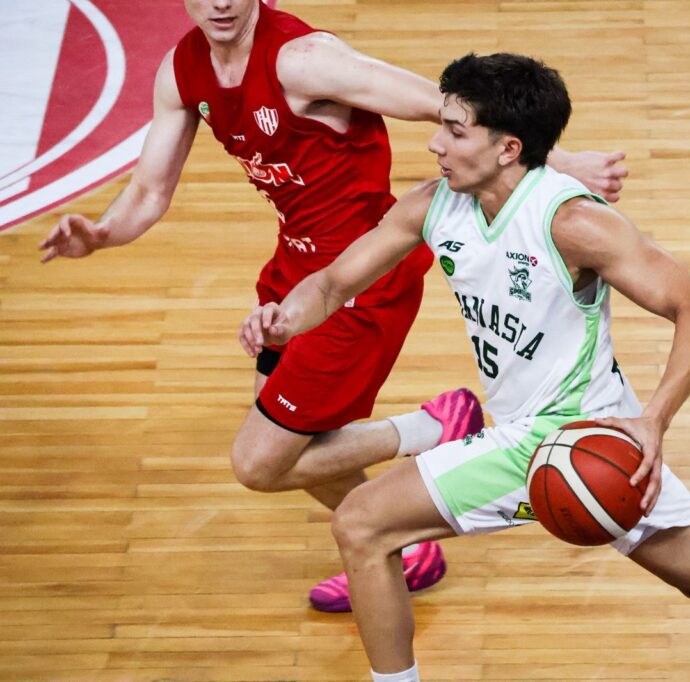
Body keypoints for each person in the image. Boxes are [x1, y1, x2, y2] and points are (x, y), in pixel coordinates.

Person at [240, 52, 690, 682]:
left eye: (455, 130)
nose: (435, 142)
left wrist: (654, 421)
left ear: (508, 148)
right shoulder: (433, 204)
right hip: (567, 441)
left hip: (572, 432)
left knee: (361, 523)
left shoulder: (573, 224)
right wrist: (284, 320)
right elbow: (333, 283)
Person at [35, 0, 628, 613]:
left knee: (260, 464)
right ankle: (408, 546)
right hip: (295, 269)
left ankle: (435, 429)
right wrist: (101, 233)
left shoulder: (305, 60)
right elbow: (148, 190)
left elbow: (443, 107)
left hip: (359, 278)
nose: (221, 3)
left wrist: (558, 162)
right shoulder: (182, 68)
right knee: (299, 440)